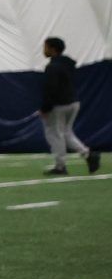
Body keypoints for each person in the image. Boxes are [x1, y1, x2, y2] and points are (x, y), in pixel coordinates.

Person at [40, 37, 97, 176]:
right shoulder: (68, 64)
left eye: (45, 47)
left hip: (60, 105)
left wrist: (45, 108)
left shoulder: (52, 67)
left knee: (55, 134)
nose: (44, 50)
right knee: (66, 133)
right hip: (73, 102)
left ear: (53, 49)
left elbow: (51, 89)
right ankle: (88, 155)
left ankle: (60, 166)